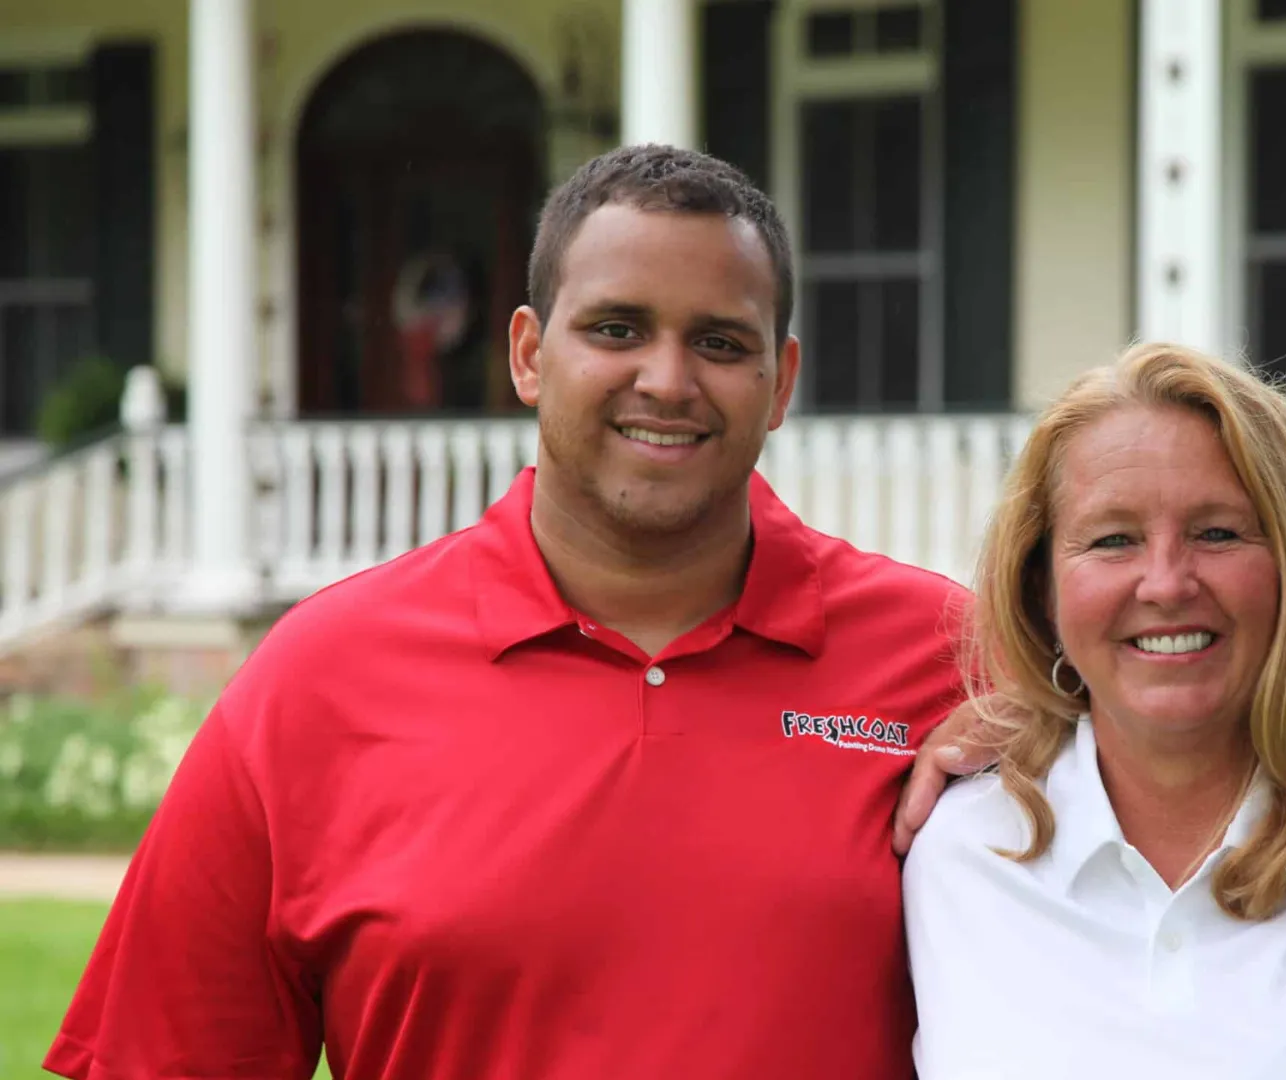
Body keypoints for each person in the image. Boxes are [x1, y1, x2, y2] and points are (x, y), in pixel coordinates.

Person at [46, 145, 969, 1078]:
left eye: (721, 343)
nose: (667, 380)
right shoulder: (319, 678)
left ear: (781, 383)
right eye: (616, 329)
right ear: (529, 354)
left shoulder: (954, 661)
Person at [903, 343, 1286, 1078]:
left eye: (1217, 532)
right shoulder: (960, 852)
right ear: (1042, 592)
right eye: (1113, 540)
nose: (1166, 582)